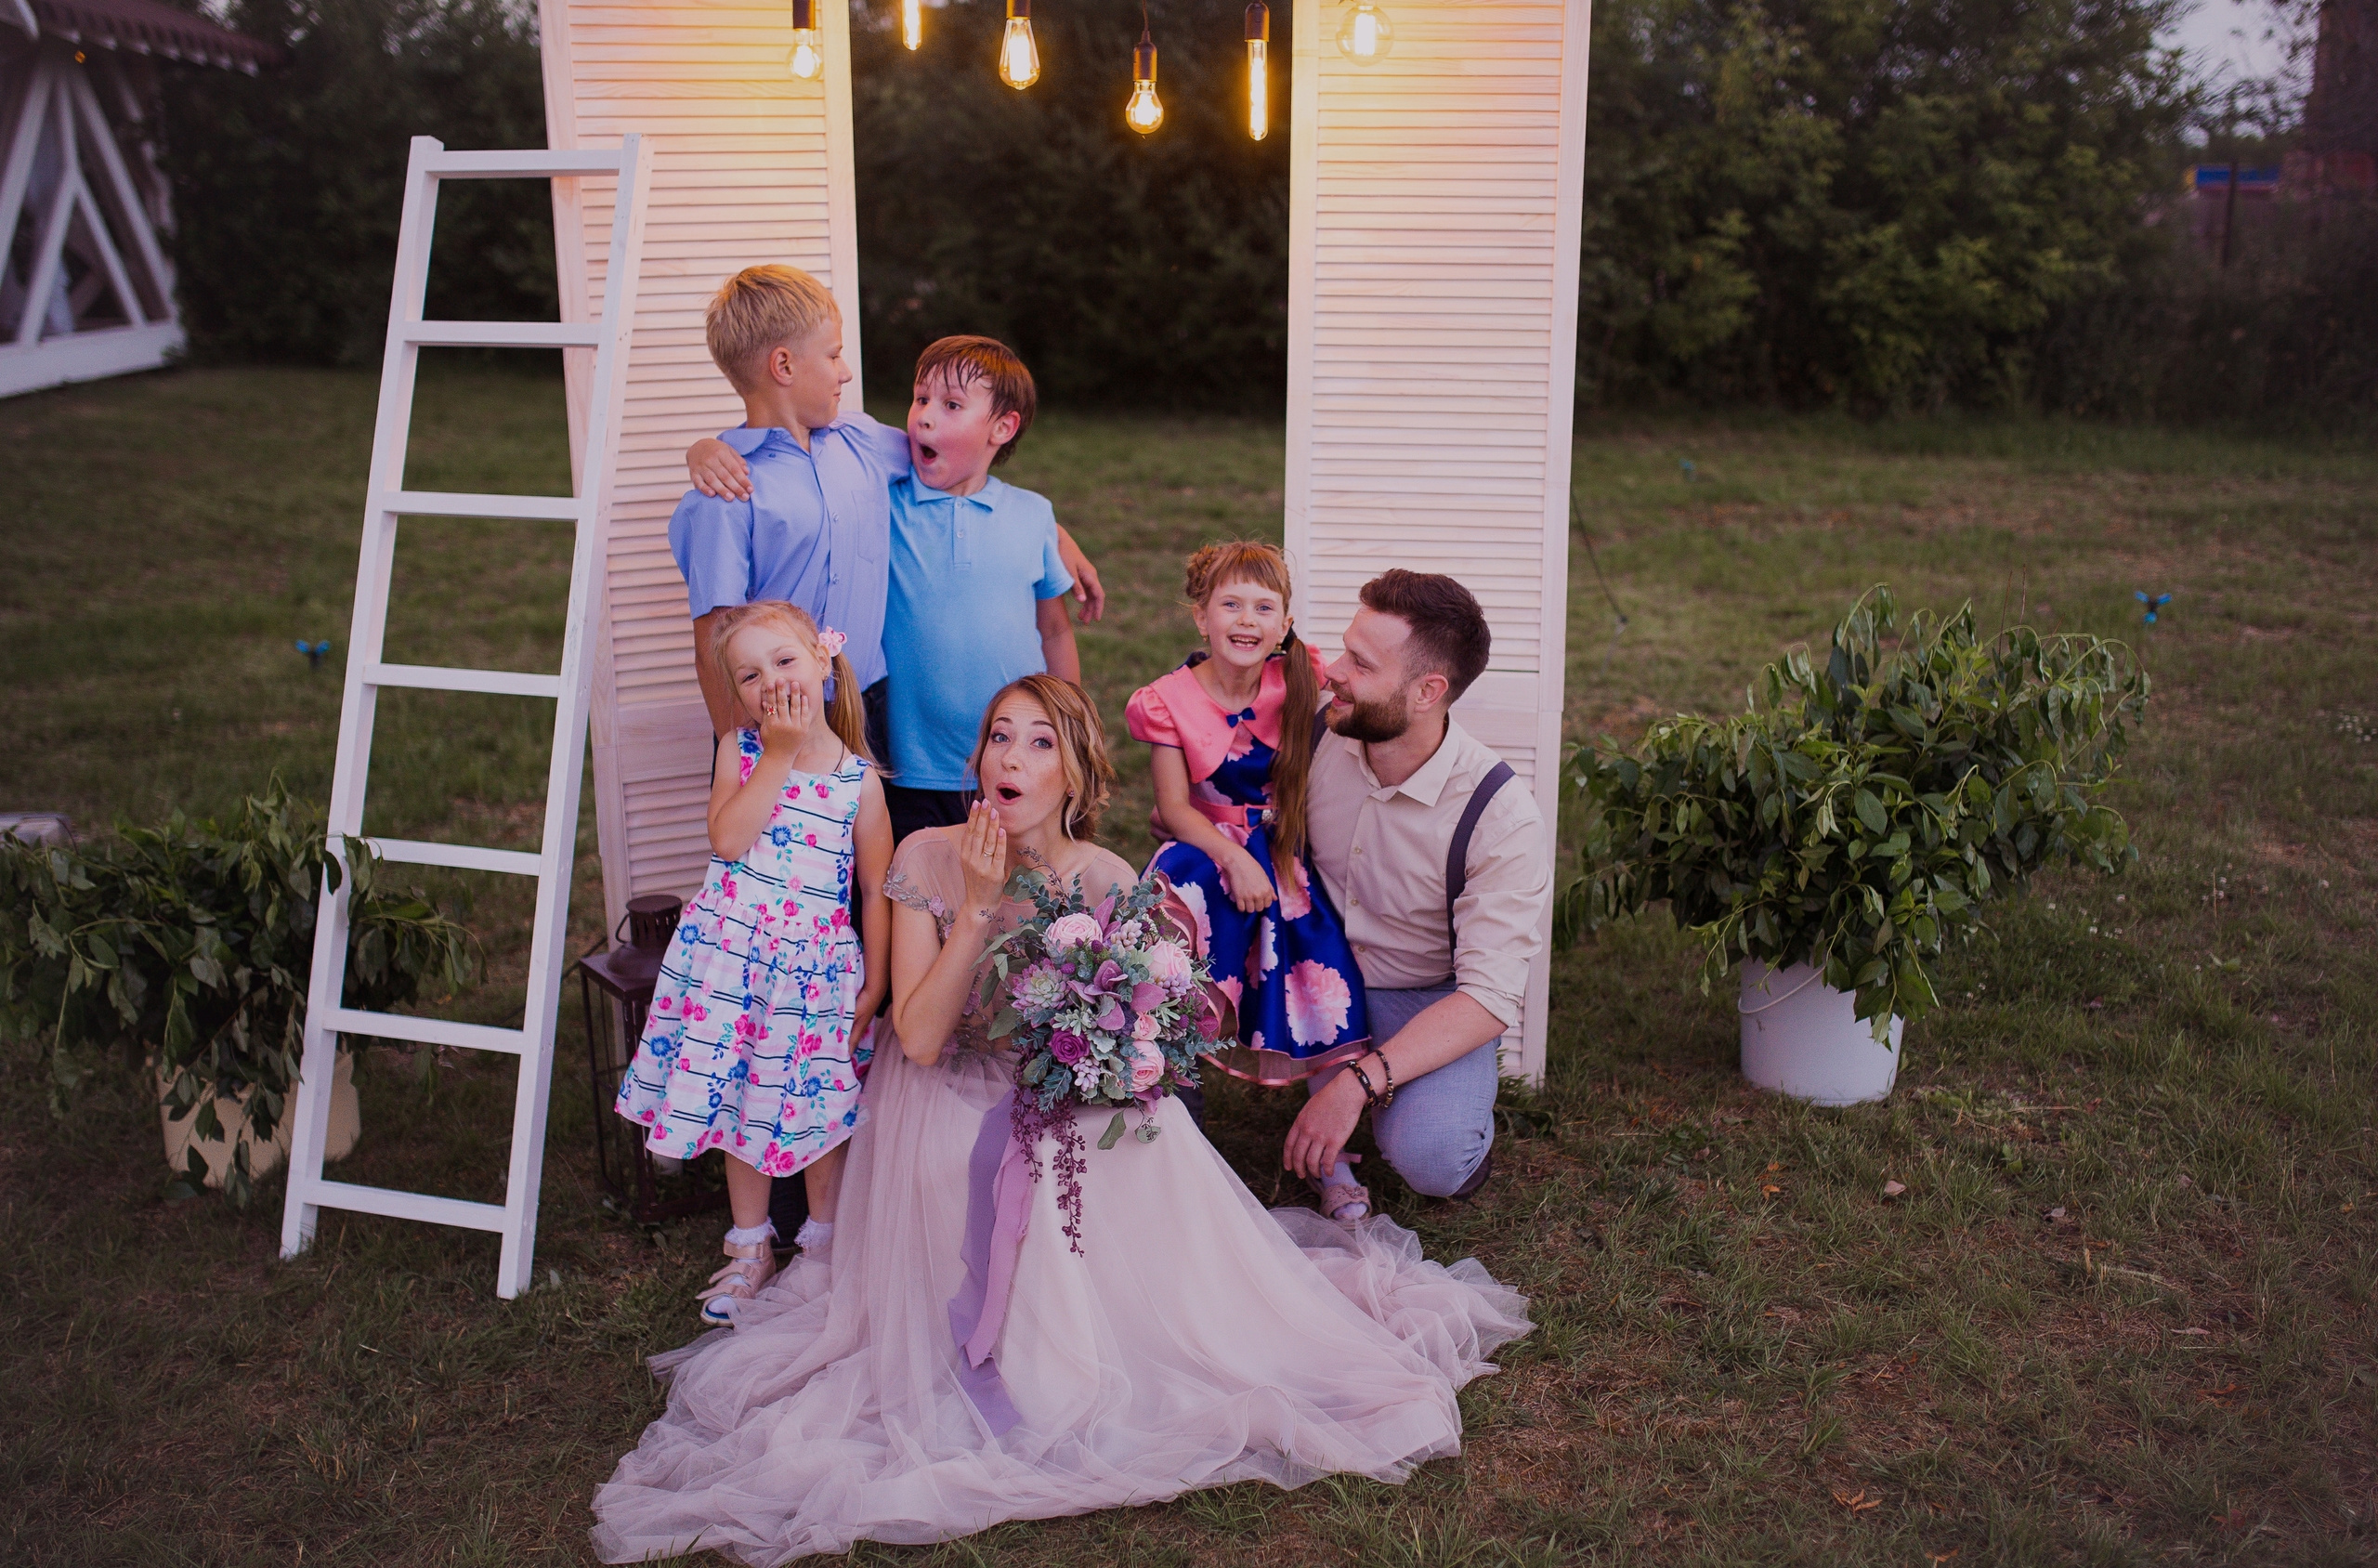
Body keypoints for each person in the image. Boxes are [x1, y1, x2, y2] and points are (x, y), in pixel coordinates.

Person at [589, 675, 1530, 1565]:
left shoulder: (1104, 876)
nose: (1012, 754)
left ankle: (1125, 1336)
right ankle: (1026, 1358)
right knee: (982, 1169)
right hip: (944, 1089)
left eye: (1039, 742)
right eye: (1001, 735)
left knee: (1144, 1155)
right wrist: (971, 907)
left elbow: (1139, 1009)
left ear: (1073, 775)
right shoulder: (926, 857)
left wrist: (1114, 1054)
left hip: (1065, 1088)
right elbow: (915, 1037)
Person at [671, 269, 1104, 763]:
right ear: (784, 365)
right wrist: (739, 753)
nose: (846, 371)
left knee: (870, 838)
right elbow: (714, 638)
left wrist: (1054, 533)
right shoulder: (724, 491)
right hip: (775, 717)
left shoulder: (861, 442)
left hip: (868, 706)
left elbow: (959, 464)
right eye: (833, 355)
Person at [613, 601, 894, 1324]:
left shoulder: (857, 782)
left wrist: (879, 980)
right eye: (749, 673)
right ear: (736, 692)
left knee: (818, 1111)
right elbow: (730, 841)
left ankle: (824, 1249)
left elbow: (875, 887)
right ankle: (749, 1249)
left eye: (784, 660)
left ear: (823, 663)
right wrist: (775, 752)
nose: (769, 679)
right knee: (739, 1102)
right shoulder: (740, 751)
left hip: (813, 976)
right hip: (730, 969)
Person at [1277, 571, 1553, 1209]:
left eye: (1360, 665)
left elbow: (1487, 998)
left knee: (1434, 1161)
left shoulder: (1500, 817)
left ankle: (1410, 1101)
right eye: (1344, 649)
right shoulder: (1323, 733)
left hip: (1422, 994)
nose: (1332, 673)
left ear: (1428, 691)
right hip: (1314, 973)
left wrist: (1356, 1083)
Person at [1126, 542, 1374, 1220]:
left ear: (1285, 621)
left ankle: (1335, 1161)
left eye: (1265, 607)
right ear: (1200, 617)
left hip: (1279, 848)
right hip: (1202, 850)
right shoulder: (1166, 701)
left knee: (1320, 976)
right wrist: (1232, 858)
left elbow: (1371, 694)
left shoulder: (1297, 676)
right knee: (1165, 973)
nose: (1247, 619)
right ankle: (1167, 1127)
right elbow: (1174, 808)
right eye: (1230, 604)